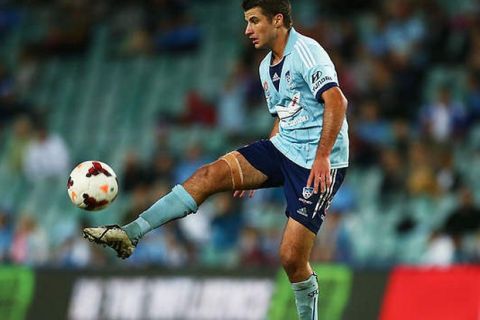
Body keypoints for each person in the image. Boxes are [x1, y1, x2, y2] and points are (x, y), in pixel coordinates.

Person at [83, 1, 349, 319]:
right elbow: (284, 114)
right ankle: (131, 233)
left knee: (291, 258)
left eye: (254, 21)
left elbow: (337, 101)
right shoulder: (266, 66)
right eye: (246, 22)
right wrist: (259, 168)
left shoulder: (307, 52)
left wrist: (321, 157)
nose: (247, 30)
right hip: (285, 149)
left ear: (278, 20)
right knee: (209, 175)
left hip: (319, 163)